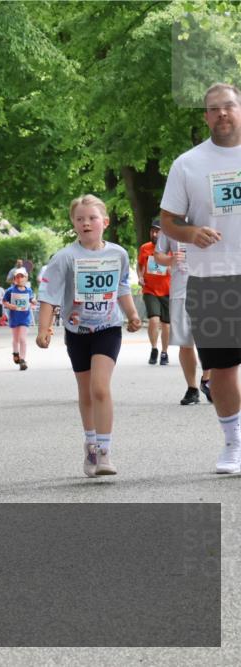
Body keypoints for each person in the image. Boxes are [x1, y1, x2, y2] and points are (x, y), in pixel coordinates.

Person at [159, 82, 241, 474]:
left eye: (229, 106)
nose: (222, 113)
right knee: (223, 368)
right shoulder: (187, 164)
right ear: (206, 116)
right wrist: (191, 233)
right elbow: (168, 220)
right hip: (211, 278)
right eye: (214, 108)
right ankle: (233, 444)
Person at [36, 195, 142, 478]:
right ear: (73, 224)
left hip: (108, 328)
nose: (86, 223)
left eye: (92, 218)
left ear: (104, 222)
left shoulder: (118, 254)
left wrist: (131, 314)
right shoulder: (65, 257)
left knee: (100, 388)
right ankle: (91, 443)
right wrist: (43, 328)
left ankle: (105, 452)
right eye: (80, 219)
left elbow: (121, 287)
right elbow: (49, 295)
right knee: (85, 392)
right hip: (77, 332)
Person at [153, 227, 211, 404]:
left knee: (211, 340)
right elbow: (158, 255)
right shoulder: (170, 227)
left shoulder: (208, 219)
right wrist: (170, 259)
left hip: (211, 289)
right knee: (185, 343)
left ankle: (207, 380)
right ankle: (192, 388)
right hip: (181, 290)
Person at [137, 219, 171, 365]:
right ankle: (154, 348)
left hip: (168, 290)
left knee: (166, 324)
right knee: (154, 320)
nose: (154, 233)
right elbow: (140, 266)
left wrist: (171, 268)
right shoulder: (145, 248)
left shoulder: (171, 249)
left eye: (157, 231)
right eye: (152, 231)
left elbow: (180, 267)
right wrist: (140, 276)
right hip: (149, 289)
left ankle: (164, 352)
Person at [3, 267, 35, 370]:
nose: (20, 279)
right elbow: (4, 301)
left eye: (22, 276)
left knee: (22, 339)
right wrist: (9, 305)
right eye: (17, 277)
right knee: (16, 339)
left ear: (26, 278)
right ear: (14, 279)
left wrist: (33, 302)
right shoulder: (10, 290)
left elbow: (31, 300)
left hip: (25, 317)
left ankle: (22, 360)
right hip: (14, 317)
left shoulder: (29, 290)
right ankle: (15, 352)